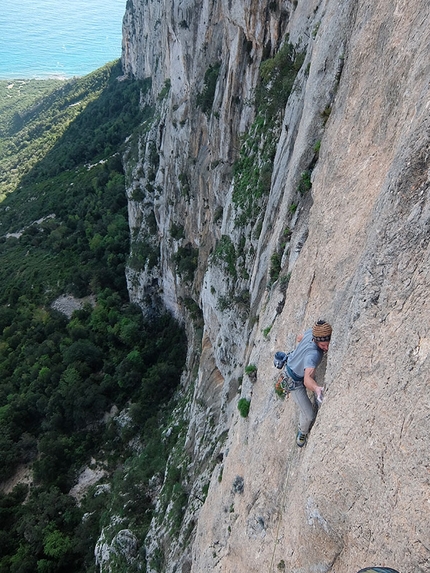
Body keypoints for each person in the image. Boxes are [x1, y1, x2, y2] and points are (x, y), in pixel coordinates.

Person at [285, 319, 332, 447]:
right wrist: (316, 388)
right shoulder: (314, 354)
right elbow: (307, 380)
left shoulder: (312, 332)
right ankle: (302, 432)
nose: (326, 348)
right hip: (294, 381)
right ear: (317, 341)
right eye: (323, 346)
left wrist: (299, 355)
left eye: (328, 344)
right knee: (309, 415)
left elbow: (300, 338)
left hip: (292, 363)